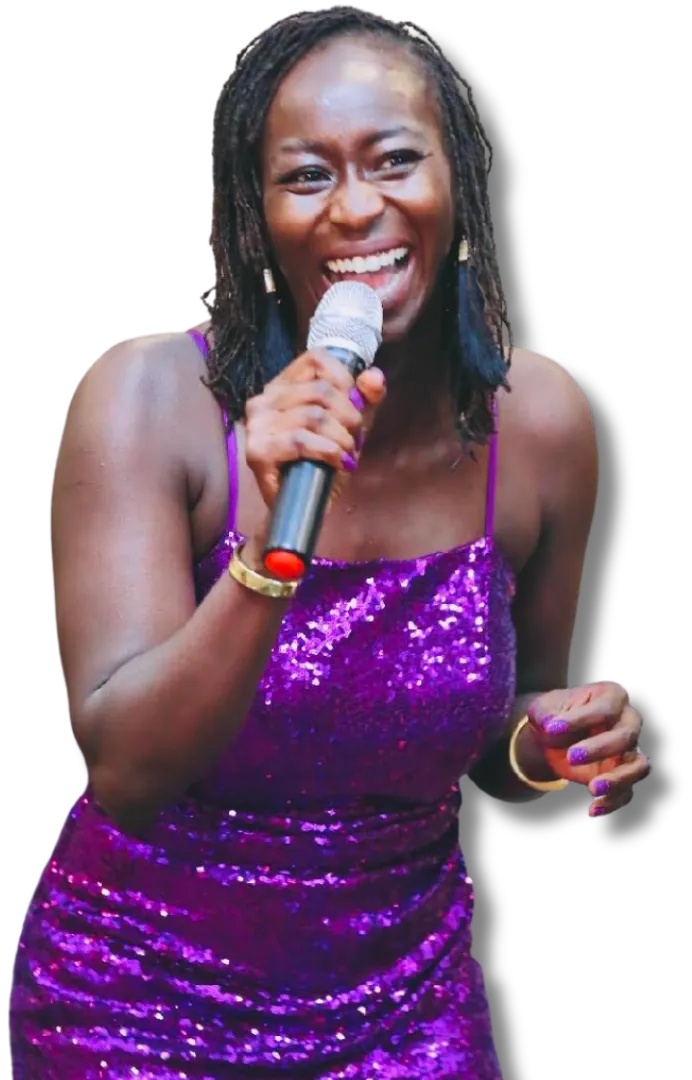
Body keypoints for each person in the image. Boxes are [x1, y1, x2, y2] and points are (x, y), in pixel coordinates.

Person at [10, 7, 651, 1078]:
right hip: (136, 1007)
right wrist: (270, 548)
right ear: (257, 219)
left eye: (394, 159)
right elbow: (127, 768)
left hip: (407, 1009)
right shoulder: (148, 402)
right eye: (307, 176)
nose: (355, 207)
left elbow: (499, 737)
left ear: (457, 187)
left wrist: (548, 745)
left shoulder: (539, 425)